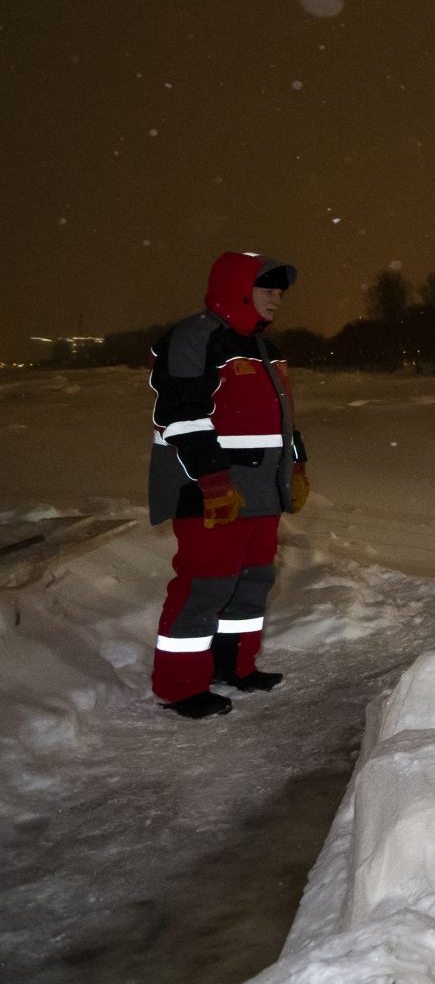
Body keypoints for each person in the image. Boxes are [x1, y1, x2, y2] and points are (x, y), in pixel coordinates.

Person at [147, 251, 310, 719]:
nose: (277, 300)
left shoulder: (264, 346)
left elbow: (282, 421)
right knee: (205, 585)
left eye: (280, 292)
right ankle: (180, 686)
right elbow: (180, 417)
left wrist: (296, 464)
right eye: (268, 290)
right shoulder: (195, 337)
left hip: (262, 492)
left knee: (252, 583)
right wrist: (214, 480)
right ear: (238, 289)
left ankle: (233, 666)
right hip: (208, 494)